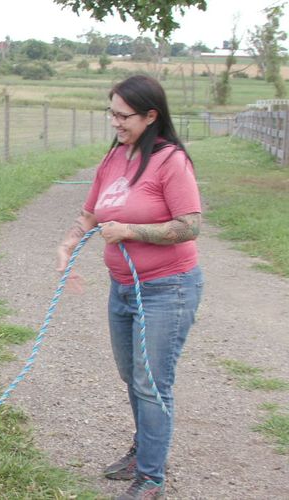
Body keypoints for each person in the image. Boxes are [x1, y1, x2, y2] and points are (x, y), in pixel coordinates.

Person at [55, 75, 203, 500]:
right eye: (112, 113)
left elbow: (190, 226)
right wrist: (67, 245)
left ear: (151, 115)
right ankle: (144, 453)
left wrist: (131, 230)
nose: (115, 122)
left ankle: (151, 478)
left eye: (123, 115)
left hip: (167, 288)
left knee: (151, 382)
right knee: (131, 375)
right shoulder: (115, 157)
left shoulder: (170, 160)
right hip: (122, 288)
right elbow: (90, 214)